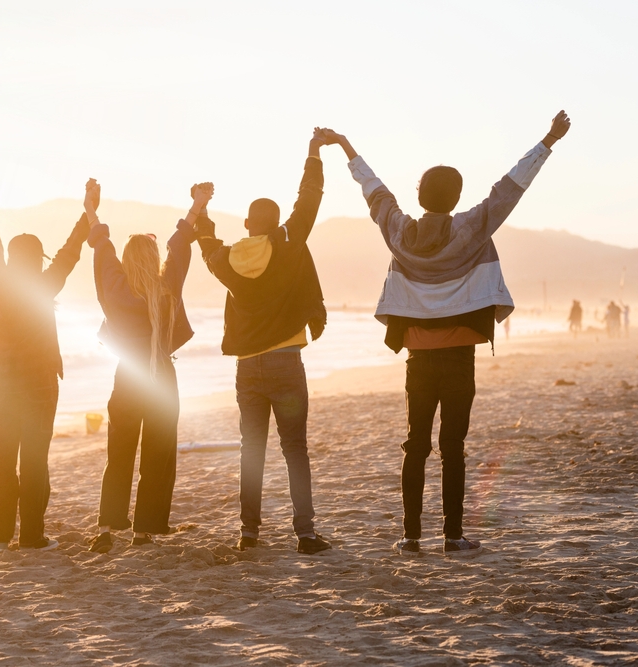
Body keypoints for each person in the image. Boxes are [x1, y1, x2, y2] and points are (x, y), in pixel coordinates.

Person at [328, 110, 572, 557]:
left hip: (418, 359)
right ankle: (453, 537)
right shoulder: (474, 226)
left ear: (419, 195)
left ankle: (410, 537)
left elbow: (375, 193)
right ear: (457, 196)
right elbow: (510, 188)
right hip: (460, 356)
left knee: (415, 445)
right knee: (453, 448)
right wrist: (548, 141)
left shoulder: (399, 232)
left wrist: (347, 148)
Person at [193, 128, 334, 555]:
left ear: (249, 224)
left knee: (250, 450)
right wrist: (313, 151)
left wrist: (201, 207)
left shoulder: (228, 256)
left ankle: (249, 533)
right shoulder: (289, 243)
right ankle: (305, 534)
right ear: (277, 223)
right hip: (285, 364)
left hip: (247, 370)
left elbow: (205, 243)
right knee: (295, 449)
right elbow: (309, 199)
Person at [86, 179, 205, 553]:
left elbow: (102, 249)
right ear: (153, 261)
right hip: (160, 378)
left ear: (127, 259)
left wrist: (92, 209)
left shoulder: (116, 288)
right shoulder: (165, 286)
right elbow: (180, 246)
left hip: (128, 377)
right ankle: (144, 528)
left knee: (118, 452)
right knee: (157, 453)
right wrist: (197, 205)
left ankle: (106, 527)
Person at [0, 185, 91, 553]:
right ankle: (31, 537)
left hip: (2, 388)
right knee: (33, 461)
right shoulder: (45, 284)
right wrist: (88, 212)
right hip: (40, 387)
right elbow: (70, 254)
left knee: (2, 459)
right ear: (37, 259)